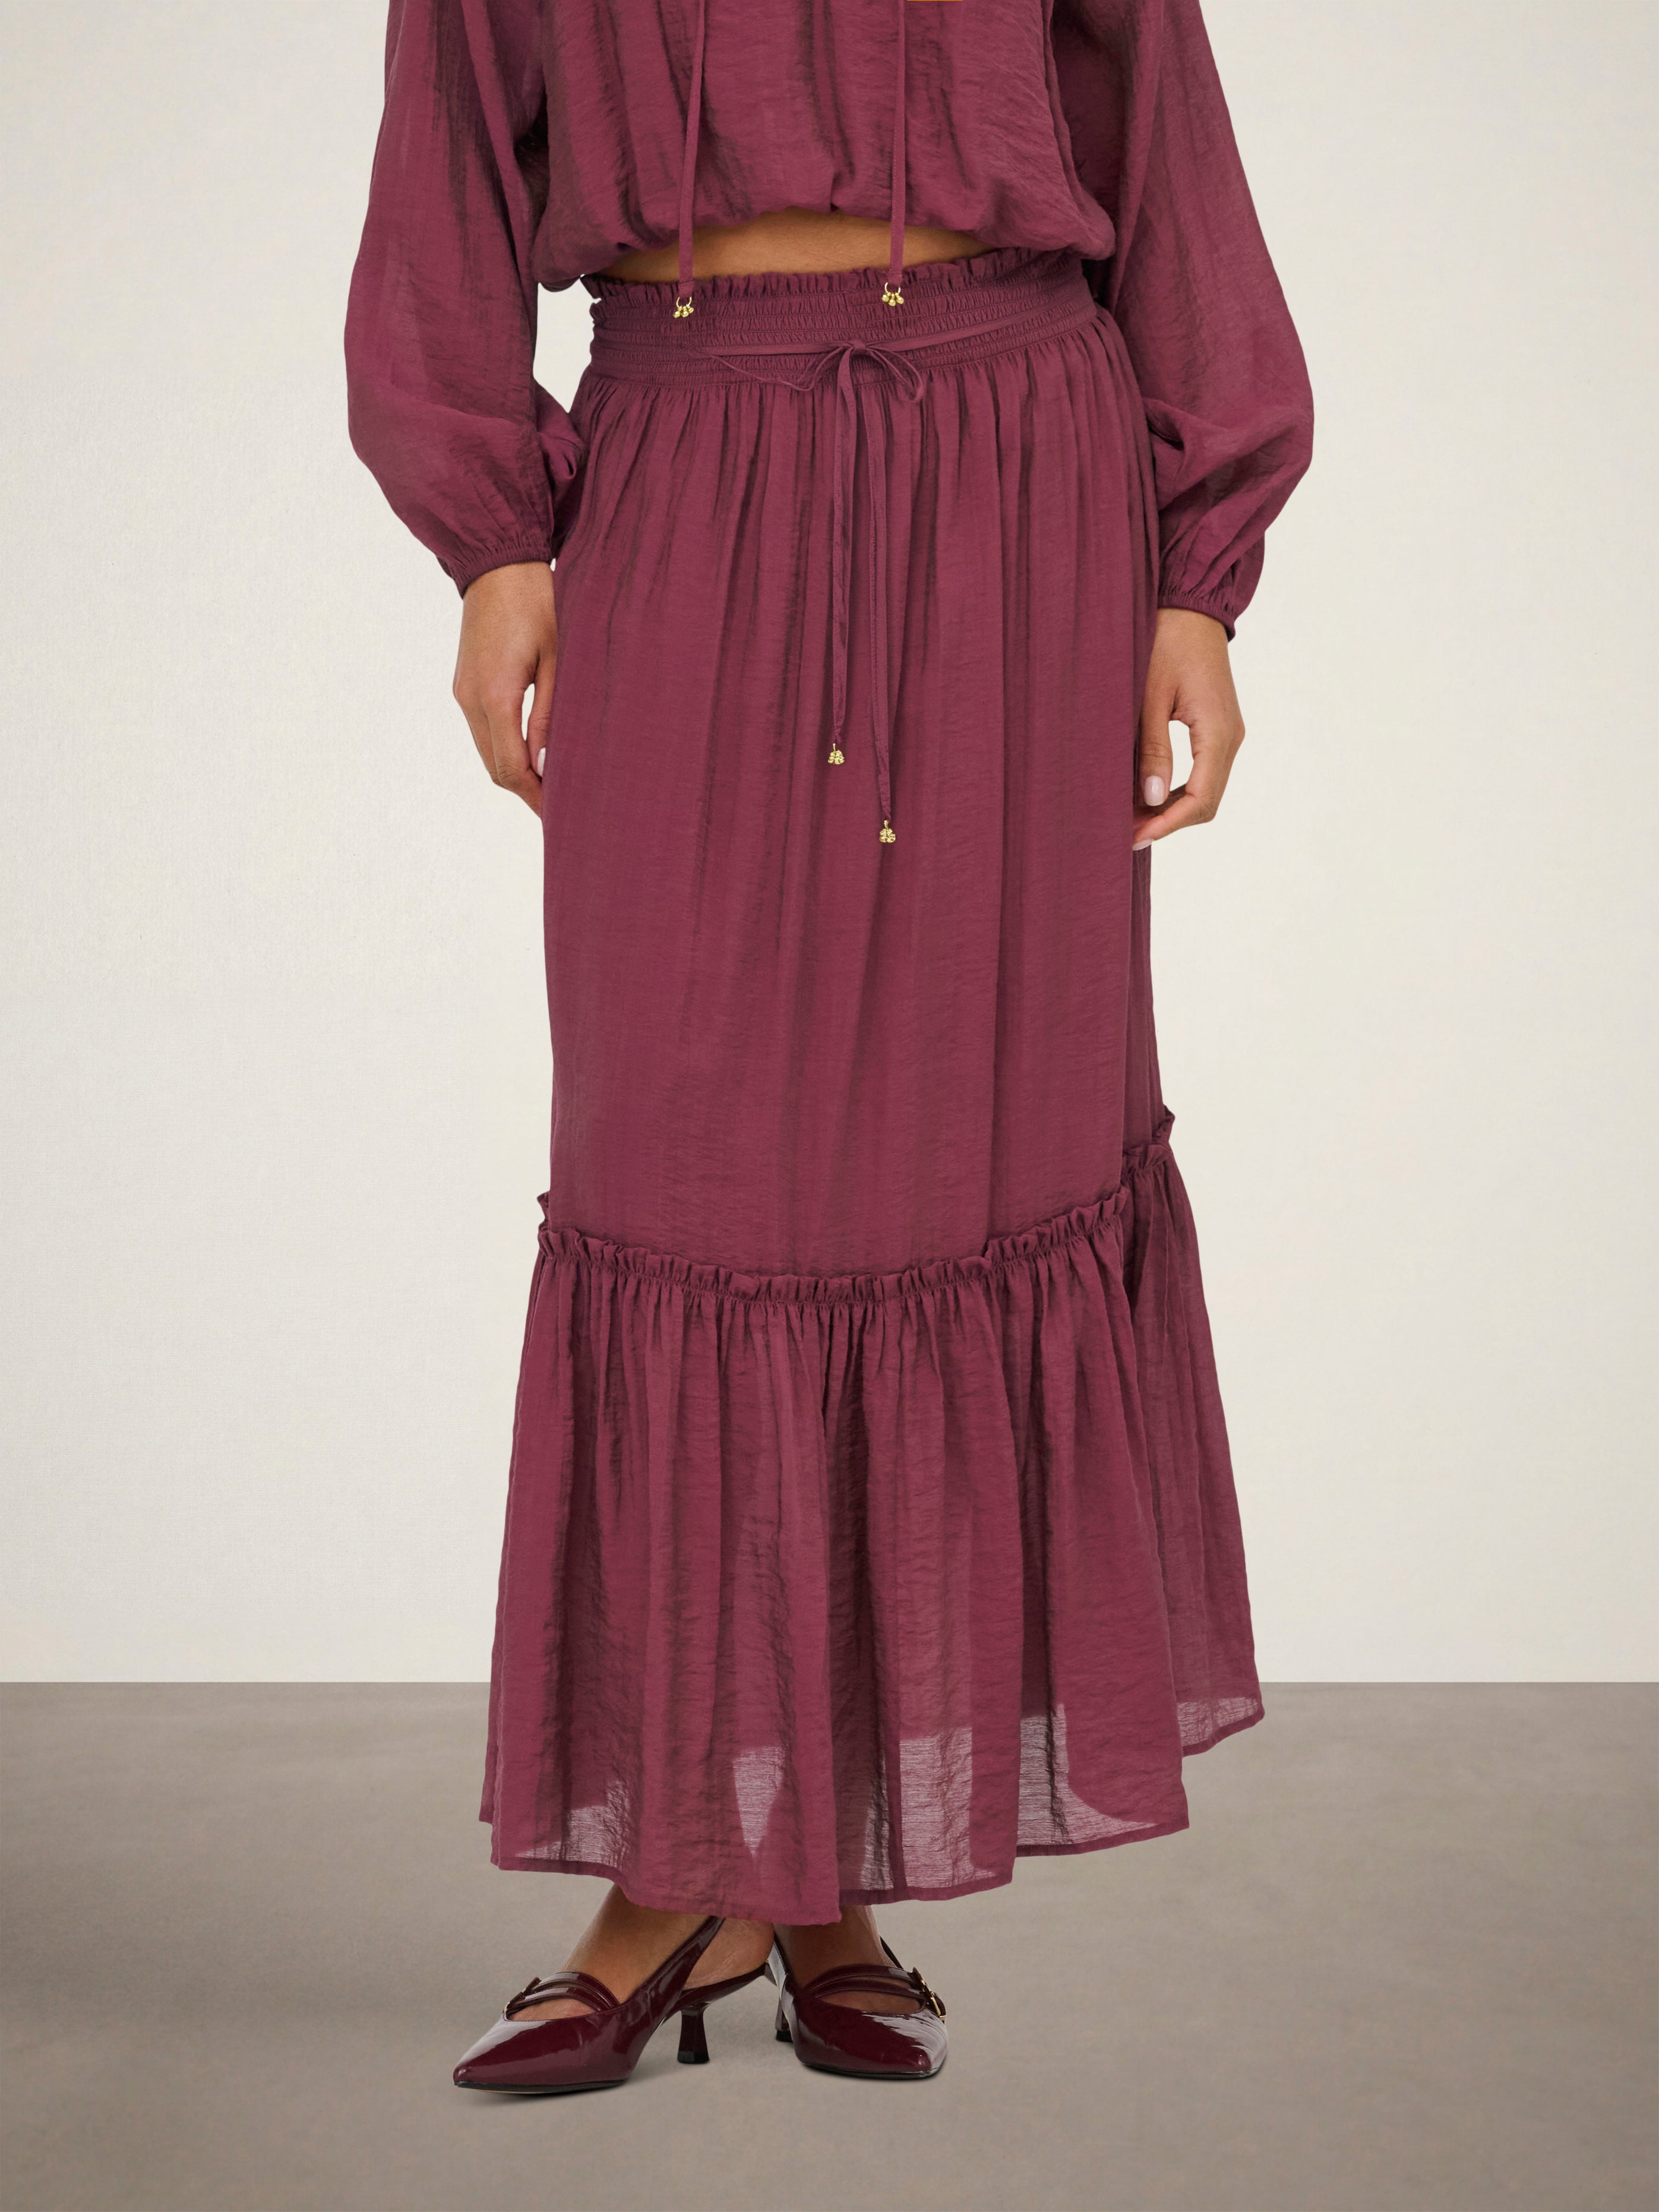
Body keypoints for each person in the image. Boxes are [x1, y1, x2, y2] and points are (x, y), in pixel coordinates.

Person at [346, 0, 1312, 2093]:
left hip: (1016, 480)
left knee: (953, 1160)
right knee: (681, 1168)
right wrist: (492, 539)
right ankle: (689, 1869)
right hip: (685, 457)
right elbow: (443, 184)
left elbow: (1162, 143)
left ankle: (813, 1877)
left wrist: (1198, 578)